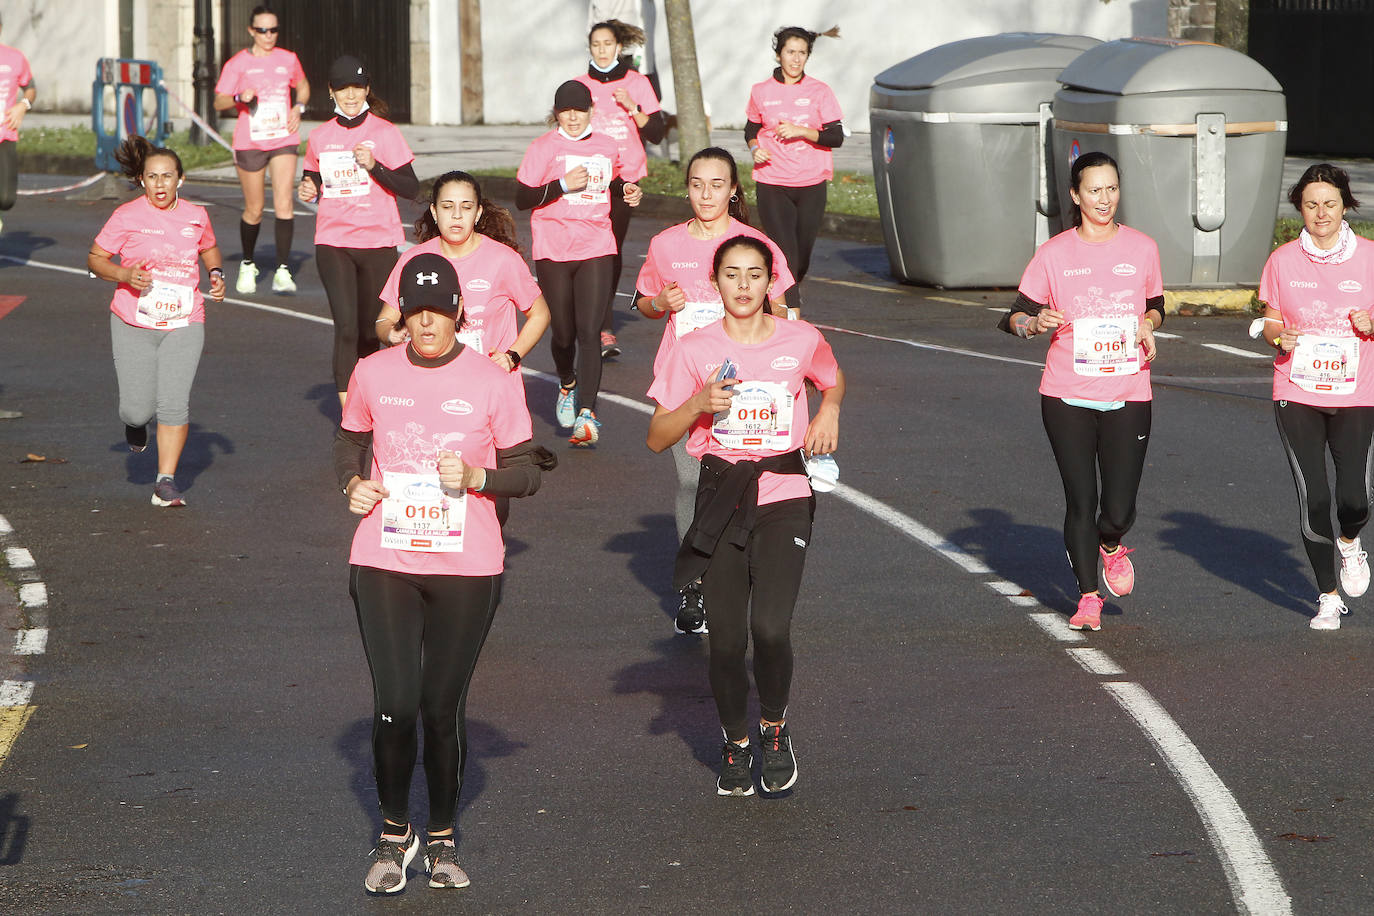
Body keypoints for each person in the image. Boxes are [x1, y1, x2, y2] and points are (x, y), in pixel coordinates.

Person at [336, 252, 553, 893]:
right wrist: (351, 481)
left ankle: (443, 839)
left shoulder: (493, 379)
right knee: (395, 704)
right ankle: (393, 832)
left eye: (438, 310)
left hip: (467, 565)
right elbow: (350, 439)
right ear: (401, 315)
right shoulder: (374, 371)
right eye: (415, 311)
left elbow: (529, 470)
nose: (426, 323)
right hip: (385, 559)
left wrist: (482, 477)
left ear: (460, 312)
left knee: (439, 707)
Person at [647, 236, 844, 796]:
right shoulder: (694, 349)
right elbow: (658, 437)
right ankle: (736, 741)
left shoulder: (801, 339)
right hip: (720, 497)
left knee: (771, 627)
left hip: (783, 493)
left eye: (755, 274)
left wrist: (828, 411)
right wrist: (697, 406)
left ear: (770, 282)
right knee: (728, 641)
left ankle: (774, 729)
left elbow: (832, 378)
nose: (743, 285)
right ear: (715, 282)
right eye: (731, 274)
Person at [999, 150, 1163, 632]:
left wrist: (1149, 324)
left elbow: (1155, 304)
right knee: (1080, 499)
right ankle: (1087, 596)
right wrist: (1033, 323)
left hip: (1129, 389)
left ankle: (1111, 543)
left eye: (1112, 188)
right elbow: (1013, 316)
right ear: (1075, 195)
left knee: (1118, 508)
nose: (1104, 198)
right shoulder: (1054, 254)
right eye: (1094, 190)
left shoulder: (1142, 248)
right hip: (1066, 390)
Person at [635, 146, 795, 636]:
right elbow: (642, 302)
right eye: (697, 184)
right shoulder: (665, 244)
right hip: (684, 381)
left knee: (743, 481)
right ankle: (694, 587)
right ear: (687, 188)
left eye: (717, 185)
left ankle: (739, 573)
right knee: (691, 482)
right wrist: (660, 301)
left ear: (733, 191)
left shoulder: (753, 243)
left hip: (748, 383)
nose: (706, 194)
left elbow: (783, 311)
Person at [1257, 163, 1374, 630]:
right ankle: (1327, 596)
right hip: (1296, 390)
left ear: (1346, 204)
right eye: (1311, 205)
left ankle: (1350, 541)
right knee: (1314, 496)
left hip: (1356, 392)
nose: (1320, 213)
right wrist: (1277, 337)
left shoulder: (1369, 257)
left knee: (1356, 498)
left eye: (1329, 203)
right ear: (1299, 209)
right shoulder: (1283, 260)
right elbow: (1270, 319)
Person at [87, 136, 225, 508]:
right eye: (152, 177)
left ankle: (165, 482)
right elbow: (95, 258)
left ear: (180, 179)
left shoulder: (196, 215)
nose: (160, 184)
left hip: (185, 320)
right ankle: (134, 424)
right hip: (134, 321)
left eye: (167, 177)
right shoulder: (127, 216)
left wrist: (215, 272)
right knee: (137, 409)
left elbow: (208, 245)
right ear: (142, 180)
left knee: (174, 404)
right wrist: (124, 274)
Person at [516, 79, 641, 446]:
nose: (572, 117)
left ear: (591, 111)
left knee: (590, 332)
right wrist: (562, 185)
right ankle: (567, 382)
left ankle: (588, 413)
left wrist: (627, 190)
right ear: (556, 113)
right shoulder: (543, 148)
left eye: (579, 110)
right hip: (553, 248)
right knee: (564, 333)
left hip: (596, 245)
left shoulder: (606, 144)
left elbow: (613, 180)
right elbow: (523, 197)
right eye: (565, 111)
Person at [297, 55, 416, 408]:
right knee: (347, 328)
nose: (351, 95)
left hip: (378, 242)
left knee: (370, 330)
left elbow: (410, 187)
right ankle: (351, 417)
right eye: (343, 88)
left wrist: (375, 166)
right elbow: (313, 180)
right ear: (331, 91)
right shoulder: (320, 136)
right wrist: (308, 188)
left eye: (358, 87)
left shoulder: (385, 132)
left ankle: (371, 399)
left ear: (367, 89)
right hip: (334, 242)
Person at [375, 170, 549, 377]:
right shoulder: (414, 260)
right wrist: (390, 334)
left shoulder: (503, 259)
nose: (456, 215)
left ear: (477, 213)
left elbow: (540, 314)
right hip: (433, 383)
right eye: (447, 207)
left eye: (466, 207)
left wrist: (511, 357)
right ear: (434, 211)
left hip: (489, 384)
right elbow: (383, 321)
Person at [575, 18, 666, 360]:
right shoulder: (579, 85)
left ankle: (602, 325)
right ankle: (586, 314)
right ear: (590, 47)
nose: (601, 50)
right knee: (586, 249)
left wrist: (632, 107)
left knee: (610, 250)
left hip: (624, 179)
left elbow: (656, 132)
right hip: (585, 179)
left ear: (618, 47)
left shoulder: (637, 83)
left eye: (607, 44)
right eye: (596, 44)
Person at [745, 25, 843, 315]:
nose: (796, 59)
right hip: (772, 181)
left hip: (811, 182)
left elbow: (835, 137)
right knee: (784, 253)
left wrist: (802, 131)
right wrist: (754, 148)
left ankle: (778, 298)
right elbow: (751, 127)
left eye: (802, 53)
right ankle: (791, 315)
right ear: (778, 55)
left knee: (800, 258)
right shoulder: (761, 91)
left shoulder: (820, 91)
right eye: (790, 52)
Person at [213, 4, 309, 295]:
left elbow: (303, 86)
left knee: (284, 203)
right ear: (251, 31)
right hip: (250, 141)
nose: (269, 35)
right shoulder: (238, 63)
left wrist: (299, 107)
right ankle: (248, 263)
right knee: (254, 208)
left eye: (274, 30)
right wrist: (239, 96)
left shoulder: (288, 59)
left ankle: (282, 269)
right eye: (263, 30)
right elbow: (218, 102)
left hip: (283, 138)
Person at [0, 12, 36, 236]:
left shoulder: (15, 58)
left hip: (6, 133)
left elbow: (31, 88)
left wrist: (23, 105)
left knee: (6, 199)